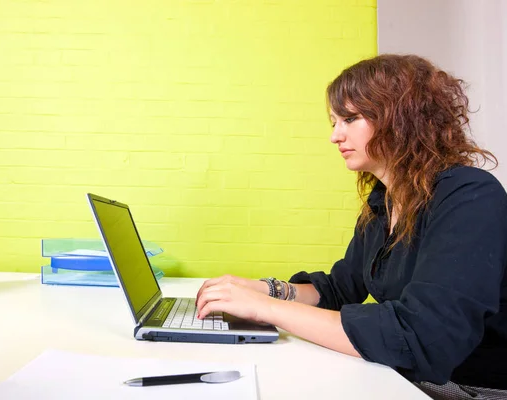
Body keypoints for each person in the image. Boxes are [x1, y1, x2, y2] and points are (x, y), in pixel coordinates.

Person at [195, 54, 507, 399]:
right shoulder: (383, 202)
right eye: (334, 122)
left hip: (475, 388)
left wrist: (264, 310)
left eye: (349, 118)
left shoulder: (469, 196)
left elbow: (419, 336)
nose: (335, 136)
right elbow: (339, 291)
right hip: (413, 377)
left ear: (401, 119)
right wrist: (262, 290)